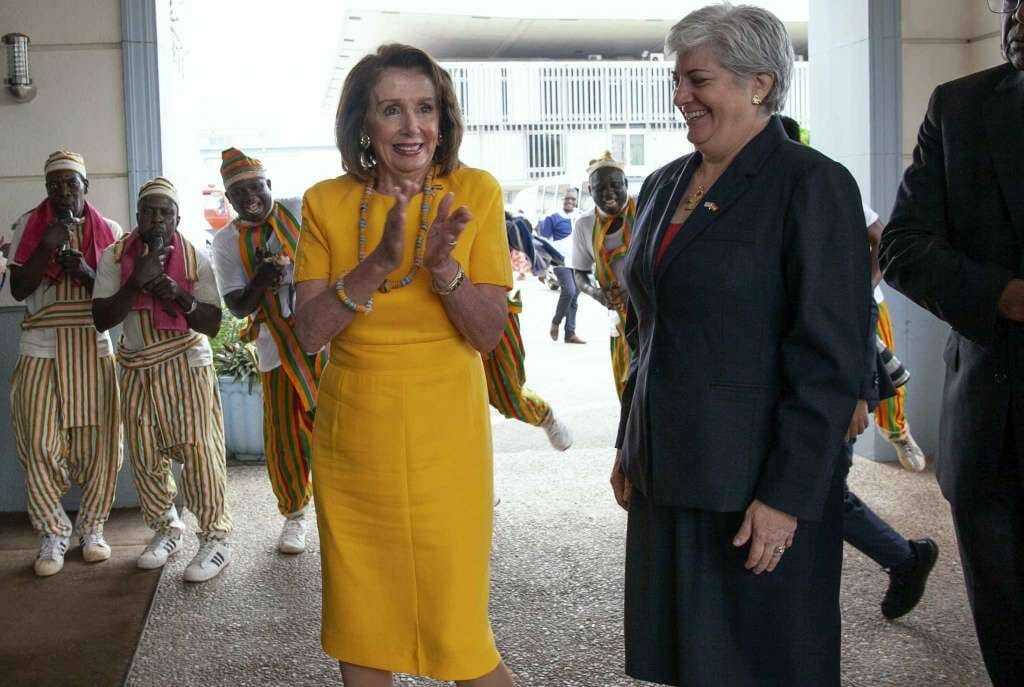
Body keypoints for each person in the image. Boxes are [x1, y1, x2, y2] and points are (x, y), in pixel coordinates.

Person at [613, 6, 871, 686]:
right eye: (677, 80)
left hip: (754, 488)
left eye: (698, 80)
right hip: (670, 473)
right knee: (690, 663)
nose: (680, 97)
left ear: (760, 84)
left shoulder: (812, 184)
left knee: (762, 664)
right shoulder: (663, 184)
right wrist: (629, 443)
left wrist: (785, 496)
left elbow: (829, 359)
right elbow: (647, 329)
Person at [292, 44, 514, 686]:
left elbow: (487, 334)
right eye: (391, 110)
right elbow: (309, 334)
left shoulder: (475, 191)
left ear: (443, 119)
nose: (412, 127)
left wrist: (442, 268)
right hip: (355, 437)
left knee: (458, 629)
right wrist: (376, 265)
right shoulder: (325, 202)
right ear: (364, 123)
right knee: (362, 625)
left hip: (448, 434)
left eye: (425, 108)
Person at [879, 2, 1024, 682]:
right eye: (1012, 3)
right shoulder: (960, 108)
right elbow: (903, 246)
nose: (1018, 18)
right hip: (995, 431)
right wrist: (1003, 295)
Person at [779, 115, 940, 617]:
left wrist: (856, 390)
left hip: (840, 369)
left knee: (824, 490)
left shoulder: (821, 187)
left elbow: (855, 301)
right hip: (799, 371)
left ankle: (904, 557)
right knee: (814, 488)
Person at [92, 177, 233, 584]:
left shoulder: (194, 259)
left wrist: (177, 294)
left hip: (186, 361)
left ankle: (216, 537)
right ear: (137, 217)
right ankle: (166, 527)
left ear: (177, 218)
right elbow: (102, 319)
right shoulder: (115, 258)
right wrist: (136, 280)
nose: (157, 219)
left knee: (199, 451)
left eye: (165, 212)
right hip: (137, 365)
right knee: (145, 453)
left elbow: (212, 323)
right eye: (149, 212)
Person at [7, 150, 123, 577]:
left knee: (101, 444)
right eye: (54, 184)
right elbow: (18, 289)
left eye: (71, 183)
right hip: (41, 346)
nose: (62, 191)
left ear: (85, 187)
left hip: (91, 345)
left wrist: (88, 272)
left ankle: (92, 528)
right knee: (39, 441)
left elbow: (117, 297)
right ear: (46, 190)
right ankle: (53, 531)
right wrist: (47, 245)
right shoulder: (28, 225)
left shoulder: (110, 231)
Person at [211, 148, 326, 554]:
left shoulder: (301, 209)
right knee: (283, 436)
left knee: (339, 427)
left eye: (255, 187)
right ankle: (294, 517)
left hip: (325, 340)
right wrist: (261, 279)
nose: (249, 197)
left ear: (269, 185)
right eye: (238, 192)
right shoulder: (226, 242)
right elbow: (238, 306)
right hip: (276, 349)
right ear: (229, 199)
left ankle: (349, 507)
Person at [572, 151, 634, 400]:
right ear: (590, 191)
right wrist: (596, 293)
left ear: (626, 184)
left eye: (615, 185)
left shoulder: (647, 209)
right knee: (627, 390)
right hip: (620, 322)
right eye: (600, 188)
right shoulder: (584, 225)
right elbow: (580, 273)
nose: (609, 193)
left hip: (656, 316)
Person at [538, 188, 585, 343]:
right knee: (569, 291)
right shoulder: (553, 216)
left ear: (576, 200)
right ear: (562, 199)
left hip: (578, 261)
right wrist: (542, 268)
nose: (569, 201)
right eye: (567, 199)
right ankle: (555, 322)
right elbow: (543, 242)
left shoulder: (580, 216)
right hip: (560, 261)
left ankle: (570, 333)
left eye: (573, 199)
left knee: (575, 296)